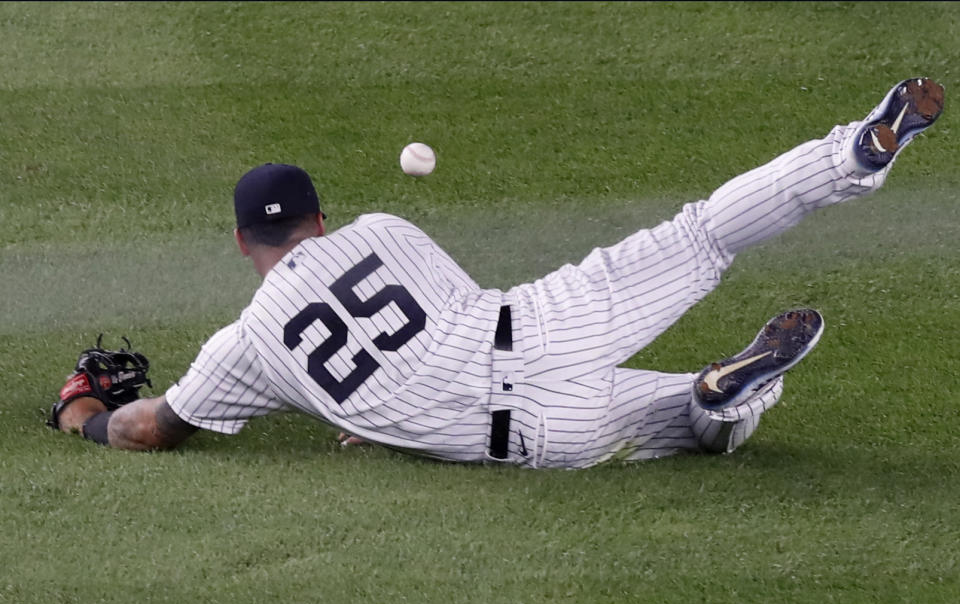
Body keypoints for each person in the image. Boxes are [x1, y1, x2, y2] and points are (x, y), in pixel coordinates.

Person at [49, 77, 944, 468]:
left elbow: (145, 431)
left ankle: (712, 395)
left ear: (244, 244)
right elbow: (446, 317)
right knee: (703, 232)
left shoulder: (245, 347)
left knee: (680, 418)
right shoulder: (383, 227)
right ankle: (852, 152)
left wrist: (79, 410)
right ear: (322, 220)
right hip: (553, 318)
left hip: (530, 434)